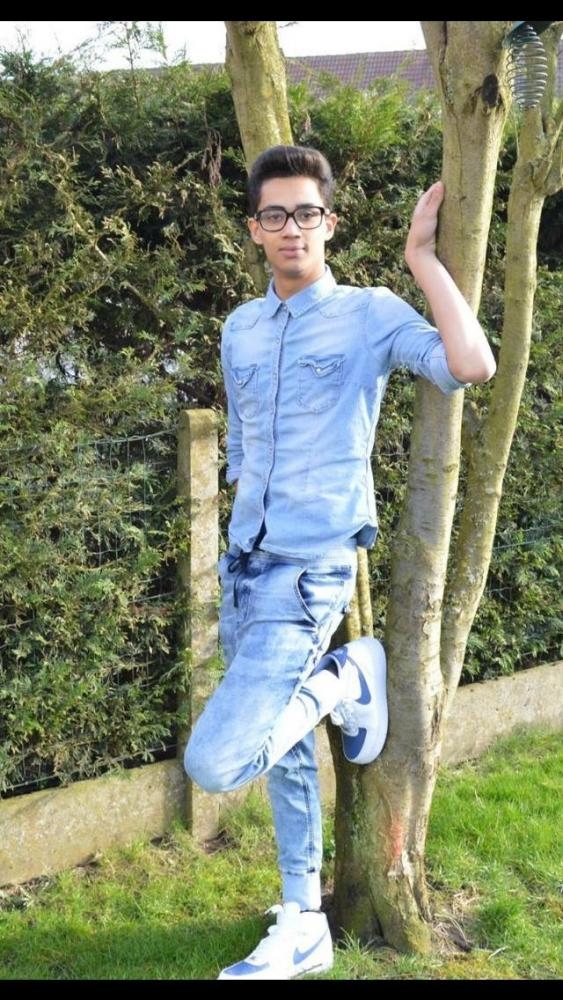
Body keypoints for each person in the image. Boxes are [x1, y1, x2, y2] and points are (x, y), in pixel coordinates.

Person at [184, 145, 496, 981]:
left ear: (329, 222)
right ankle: (302, 922)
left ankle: (343, 680)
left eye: (306, 213)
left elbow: (470, 365)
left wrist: (422, 260)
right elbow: (244, 441)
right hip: (244, 564)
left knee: (217, 761)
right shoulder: (240, 328)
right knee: (282, 753)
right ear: (254, 229)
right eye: (275, 215)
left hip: (308, 572)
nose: (292, 228)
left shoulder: (367, 315)